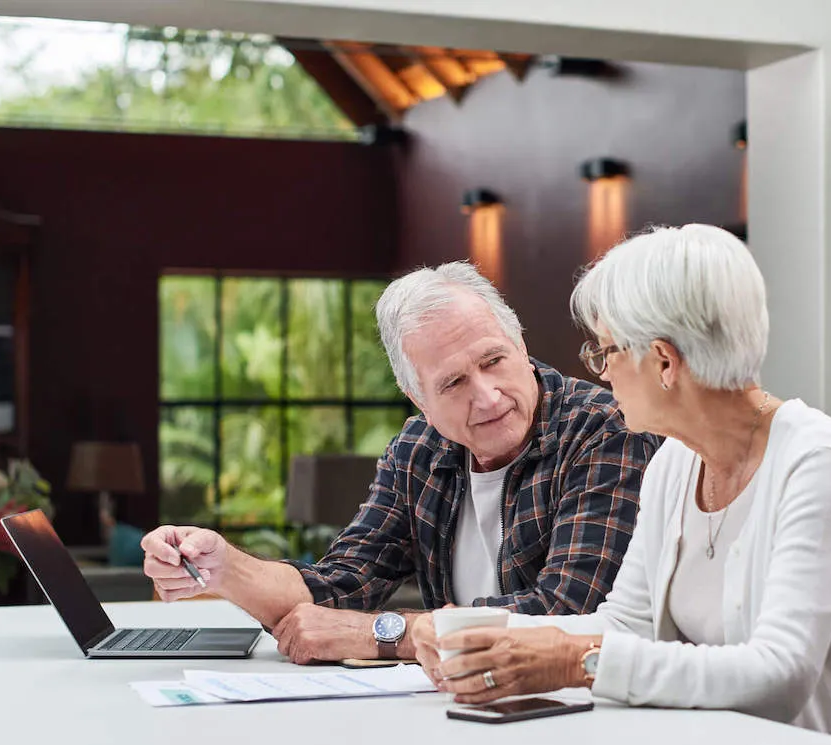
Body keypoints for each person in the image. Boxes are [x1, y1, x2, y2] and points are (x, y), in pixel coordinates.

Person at [418, 225, 831, 745]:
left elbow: (779, 675)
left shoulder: (815, 462)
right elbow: (628, 623)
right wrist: (485, 635)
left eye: (607, 353)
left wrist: (576, 662)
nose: (602, 376)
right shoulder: (674, 462)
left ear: (665, 361)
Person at [141, 262, 659, 665]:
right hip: (459, 708)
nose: (487, 396)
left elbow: (565, 614)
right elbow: (342, 587)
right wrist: (224, 569)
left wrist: (383, 635)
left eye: (493, 360)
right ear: (418, 398)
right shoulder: (419, 448)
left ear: (520, 344)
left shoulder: (606, 429)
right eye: (453, 383)